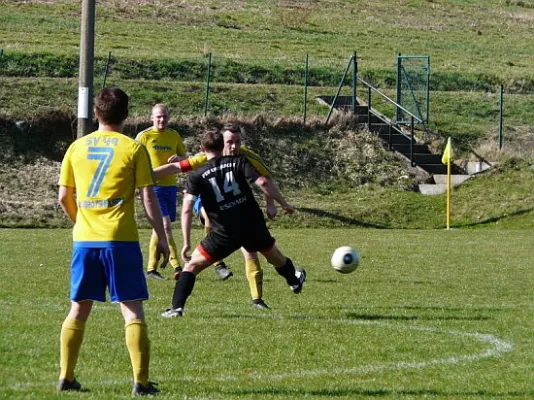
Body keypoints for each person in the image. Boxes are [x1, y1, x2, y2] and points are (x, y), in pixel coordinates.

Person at [57, 87, 169, 396]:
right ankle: (141, 383)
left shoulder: (76, 148)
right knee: (132, 310)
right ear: (126, 115)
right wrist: (161, 237)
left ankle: (66, 377)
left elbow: (64, 196)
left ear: (96, 113)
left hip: (85, 241)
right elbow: (148, 197)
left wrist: (80, 222)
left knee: (78, 309)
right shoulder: (133, 149)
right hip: (120, 240)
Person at [159, 128, 306, 318]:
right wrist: (283, 203)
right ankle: (293, 280)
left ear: (202, 148)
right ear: (223, 146)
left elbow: (187, 208)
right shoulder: (239, 161)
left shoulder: (197, 175)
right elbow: (263, 182)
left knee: (192, 266)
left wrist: (186, 242)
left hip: (224, 232)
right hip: (252, 224)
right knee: (274, 255)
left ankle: (177, 308)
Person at [136, 104, 186, 280]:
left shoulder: (173, 136)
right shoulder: (144, 136)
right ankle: (176, 265)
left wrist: (180, 159)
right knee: (164, 226)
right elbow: (133, 160)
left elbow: (186, 161)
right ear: (151, 118)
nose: (162, 120)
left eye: (164, 116)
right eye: (158, 117)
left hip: (170, 187)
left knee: (159, 229)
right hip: (152, 187)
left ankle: (151, 269)